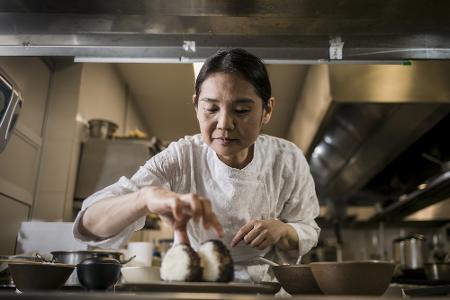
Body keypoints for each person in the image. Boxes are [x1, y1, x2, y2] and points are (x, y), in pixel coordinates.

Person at [73, 48, 320, 282]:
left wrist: (283, 230)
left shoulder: (287, 159)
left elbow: (308, 228)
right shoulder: (182, 156)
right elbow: (89, 225)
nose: (224, 124)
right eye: (211, 108)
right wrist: (145, 197)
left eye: (242, 110)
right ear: (195, 106)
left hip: (267, 289)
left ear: (267, 110)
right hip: (197, 284)